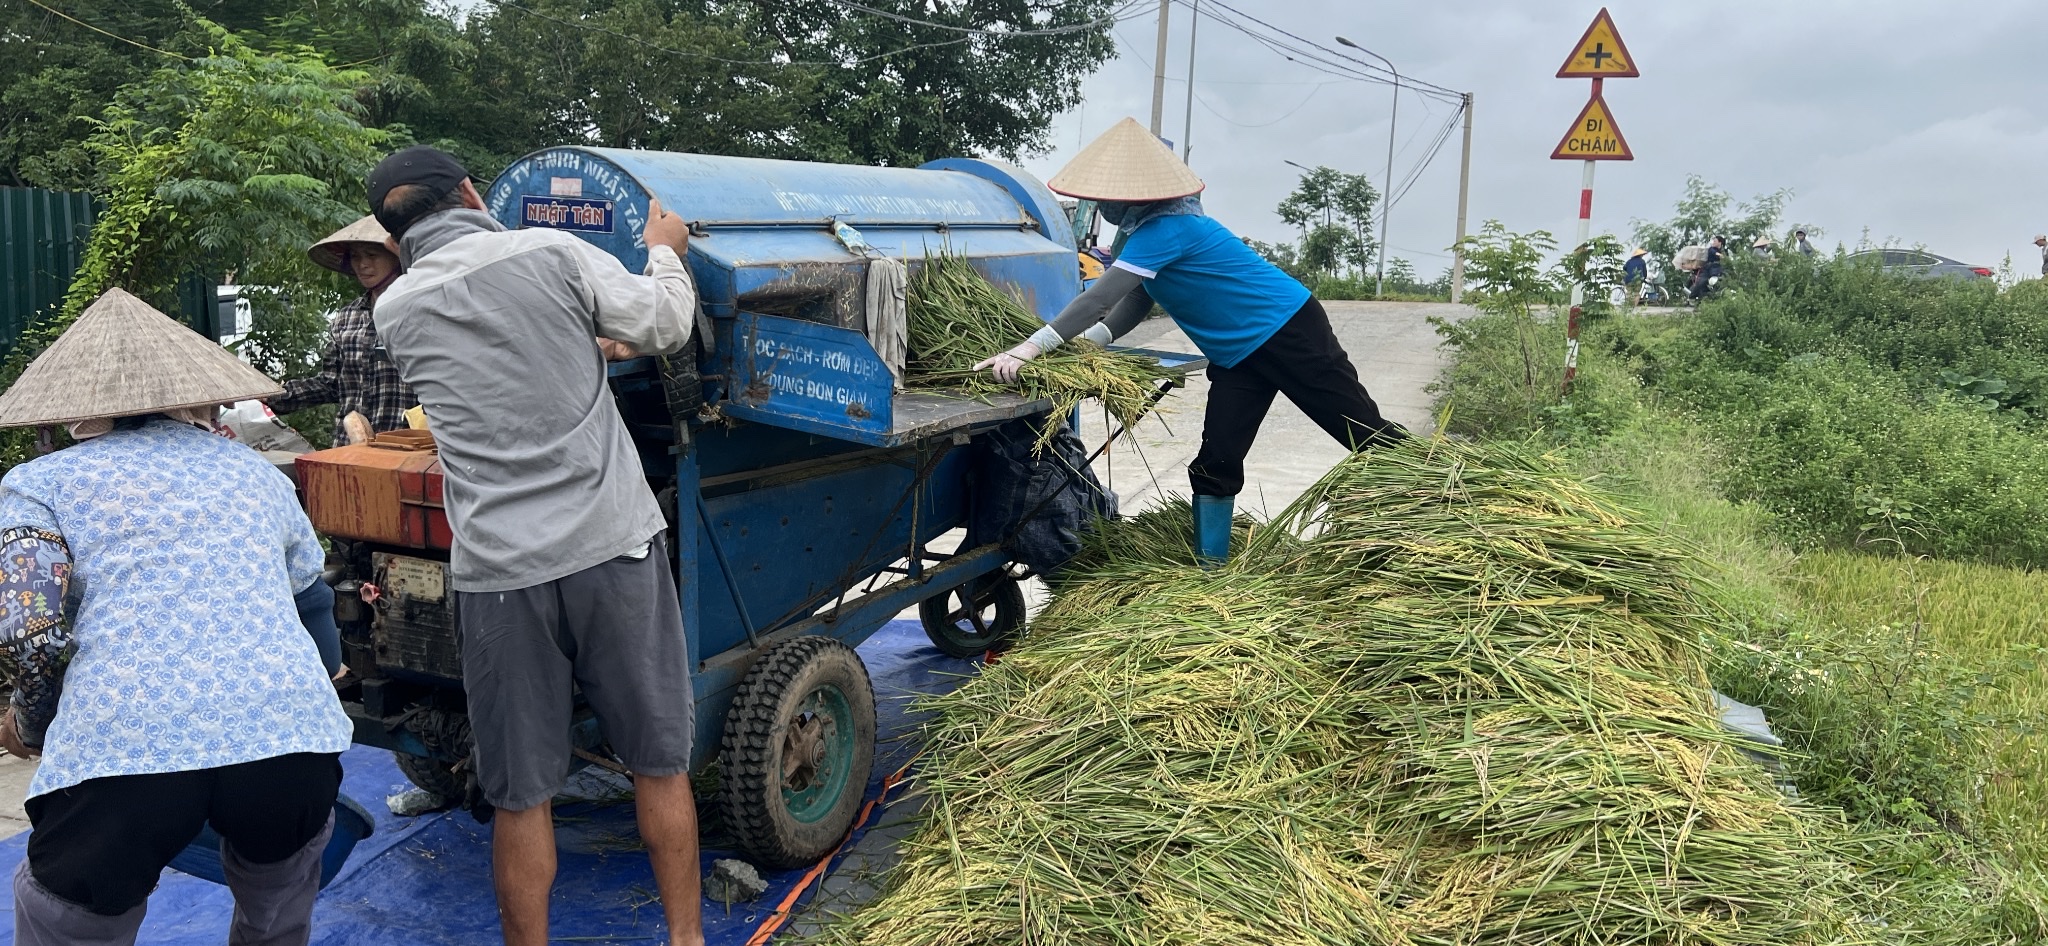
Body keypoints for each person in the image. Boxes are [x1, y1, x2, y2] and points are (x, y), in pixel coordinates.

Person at [364, 146, 705, 946]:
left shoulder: (395, 311)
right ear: (471, 192)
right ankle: (687, 940)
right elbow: (666, 323)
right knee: (658, 764)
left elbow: (496, 360)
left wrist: (586, 342)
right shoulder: (551, 250)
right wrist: (665, 250)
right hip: (609, 546)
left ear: (391, 236)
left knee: (521, 795)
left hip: (497, 572)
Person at [0, 288, 353, 946]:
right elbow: (311, 598)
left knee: (66, 925)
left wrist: (31, 720)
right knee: (275, 916)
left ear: (78, 413)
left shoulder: (41, 484)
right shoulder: (256, 473)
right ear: (194, 399)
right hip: (289, 744)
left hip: (124, 755)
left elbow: (29, 629)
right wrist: (324, 678)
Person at [972, 117, 1406, 564]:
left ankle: (1437, 496)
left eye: (1110, 196)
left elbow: (1100, 298)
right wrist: (1094, 342)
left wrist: (1030, 347)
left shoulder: (1169, 228)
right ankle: (1210, 571)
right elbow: (1139, 297)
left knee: (1361, 431)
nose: (1104, 204)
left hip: (1288, 330)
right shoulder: (1140, 234)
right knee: (1216, 462)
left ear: (1137, 194)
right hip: (1238, 355)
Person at [267, 215, 417, 445]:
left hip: (408, 445)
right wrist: (269, 395)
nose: (363, 264)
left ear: (396, 256)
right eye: (356, 256)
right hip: (351, 446)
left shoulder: (420, 311)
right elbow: (331, 383)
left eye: (372, 255)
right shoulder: (348, 317)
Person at [1691, 235, 1726, 301]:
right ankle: (1692, 297)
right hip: (1708, 270)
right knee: (1701, 282)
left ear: (1720, 242)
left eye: (1715, 241)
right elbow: (1713, 252)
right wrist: (1719, 255)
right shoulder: (1711, 249)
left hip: (1718, 271)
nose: (1713, 242)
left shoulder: (1724, 251)